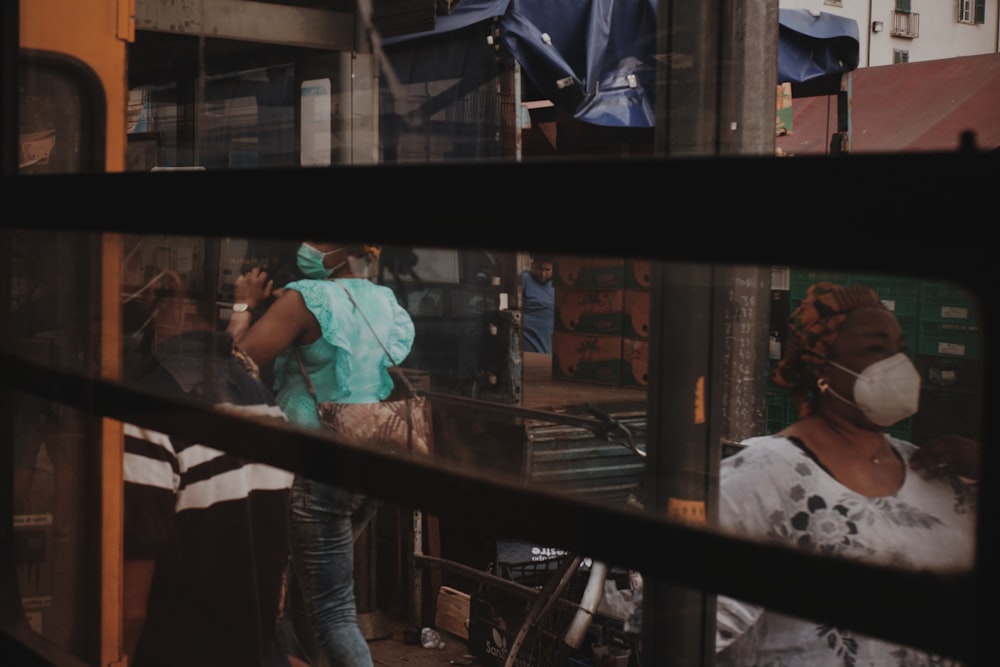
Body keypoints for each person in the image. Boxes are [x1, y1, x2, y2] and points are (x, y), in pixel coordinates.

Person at [715, 281, 978, 667]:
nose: (897, 364)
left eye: (900, 349)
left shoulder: (937, 472)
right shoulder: (759, 480)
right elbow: (680, 632)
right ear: (821, 367)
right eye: (875, 349)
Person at [226, 241, 416, 667]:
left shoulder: (305, 298)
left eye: (317, 238)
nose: (305, 246)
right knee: (307, 592)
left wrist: (245, 306)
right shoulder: (384, 299)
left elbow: (236, 365)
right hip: (371, 462)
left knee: (332, 612)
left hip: (316, 467)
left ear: (338, 249)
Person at [120, 269, 295, 667]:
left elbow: (128, 613)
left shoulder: (147, 411)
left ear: (171, 293)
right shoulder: (259, 397)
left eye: (126, 291)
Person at [521, 254, 555, 353]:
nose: (542, 274)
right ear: (532, 265)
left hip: (548, 339)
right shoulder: (525, 279)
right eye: (539, 269)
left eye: (547, 270)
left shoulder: (556, 285)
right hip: (528, 336)